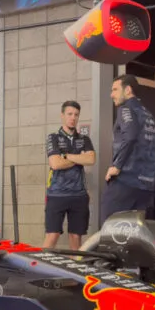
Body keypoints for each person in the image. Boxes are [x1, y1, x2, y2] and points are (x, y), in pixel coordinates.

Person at [100, 74, 155, 226]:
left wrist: (116, 166)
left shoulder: (126, 108)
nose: (111, 95)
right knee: (133, 233)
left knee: (110, 228)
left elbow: (130, 136)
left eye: (115, 90)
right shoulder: (147, 114)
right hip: (145, 186)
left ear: (128, 90)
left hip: (126, 181)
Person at [43, 100, 96, 250]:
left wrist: (66, 156)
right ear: (62, 115)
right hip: (56, 194)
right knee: (52, 235)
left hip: (79, 195)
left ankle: (75, 265)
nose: (73, 117)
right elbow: (55, 163)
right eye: (70, 114)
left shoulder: (84, 139)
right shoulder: (53, 137)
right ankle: (39, 264)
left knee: (76, 237)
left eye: (76, 115)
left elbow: (91, 159)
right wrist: (79, 158)